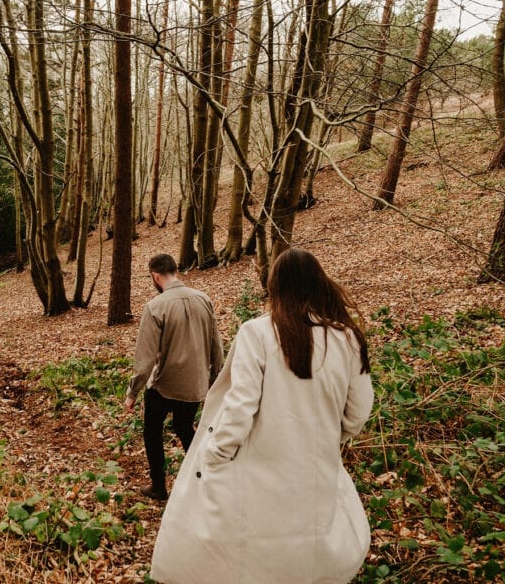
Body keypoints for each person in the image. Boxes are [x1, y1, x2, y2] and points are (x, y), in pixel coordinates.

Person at [150, 248, 374, 584]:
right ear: (319, 284)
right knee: (306, 560)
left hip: (258, 473)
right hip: (316, 470)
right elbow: (356, 415)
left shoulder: (258, 333)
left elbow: (240, 406)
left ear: (276, 288)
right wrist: (320, 436)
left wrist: (216, 453)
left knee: (251, 559)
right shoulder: (347, 338)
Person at [124, 253, 224, 502]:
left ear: (155, 276)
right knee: (183, 427)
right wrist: (214, 380)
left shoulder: (156, 306)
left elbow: (145, 358)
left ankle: (159, 486)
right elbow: (217, 346)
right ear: (175, 271)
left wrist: (132, 393)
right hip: (195, 385)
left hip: (165, 385)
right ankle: (205, 480)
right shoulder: (204, 299)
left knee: (152, 431)